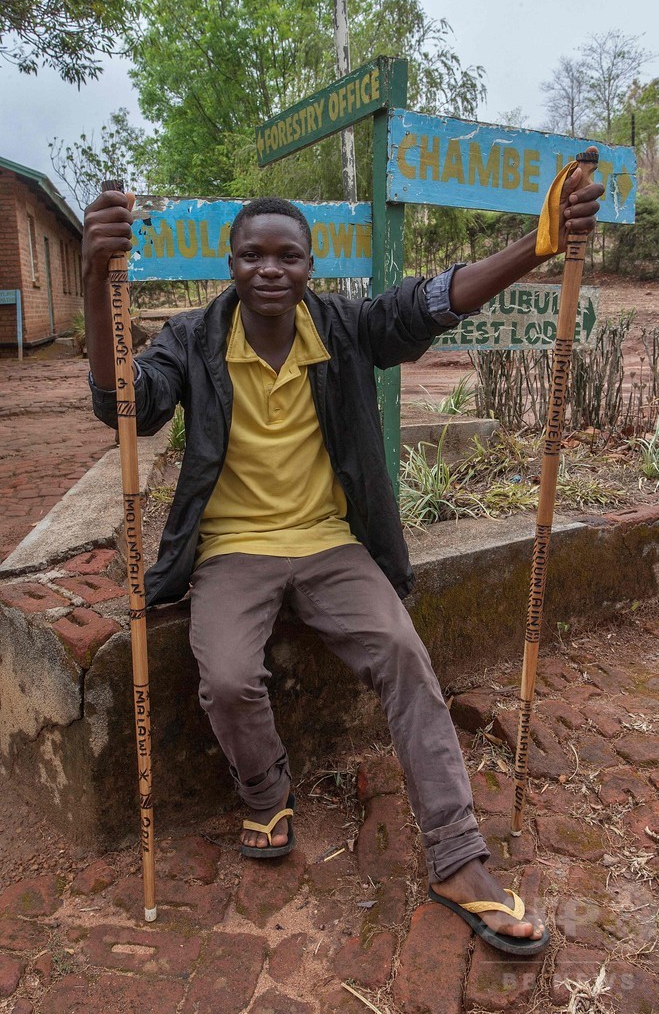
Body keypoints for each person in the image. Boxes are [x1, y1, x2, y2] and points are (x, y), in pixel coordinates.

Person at [83, 169, 602, 955]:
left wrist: (538, 245)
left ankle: (458, 857)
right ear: (230, 265)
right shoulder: (190, 339)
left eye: (286, 256)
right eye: (252, 255)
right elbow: (123, 404)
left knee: (401, 652)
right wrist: (93, 277)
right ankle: (265, 789)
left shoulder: (347, 328)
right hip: (232, 550)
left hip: (331, 543)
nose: (269, 269)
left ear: (308, 267)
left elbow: (435, 299)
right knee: (224, 677)